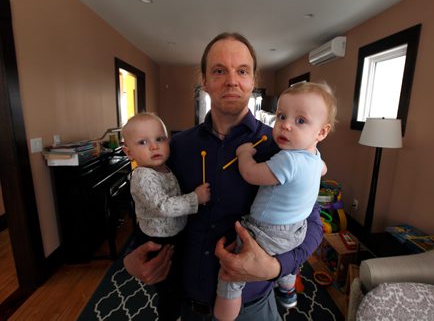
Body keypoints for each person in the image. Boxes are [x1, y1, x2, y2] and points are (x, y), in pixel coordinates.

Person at [123, 32, 324, 321]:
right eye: (219, 71)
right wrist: (132, 258)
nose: (232, 80)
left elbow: (313, 222)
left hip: (252, 305)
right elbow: (149, 203)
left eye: (242, 71)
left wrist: (277, 267)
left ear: (253, 80)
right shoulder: (175, 147)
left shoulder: (282, 149)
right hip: (184, 303)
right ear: (204, 81)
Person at [213, 82, 337, 321]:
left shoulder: (288, 160)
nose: (286, 125)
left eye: (300, 121)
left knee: (232, 273)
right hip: (296, 230)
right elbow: (323, 169)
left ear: (321, 132)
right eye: (281, 116)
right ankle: (288, 288)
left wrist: (245, 154)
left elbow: (250, 174)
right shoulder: (315, 158)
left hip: (266, 231)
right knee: (286, 254)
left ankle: (224, 315)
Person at [121, 112, 211, 320]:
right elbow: (163, 206)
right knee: (169, 290)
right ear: (129, 152)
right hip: (158, 240)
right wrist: (195, 198)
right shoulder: (142, 176)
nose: (154, 146)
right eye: (143, 142)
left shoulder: (163, 168)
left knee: (179, 281)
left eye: (159, 139)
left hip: (174, 234)